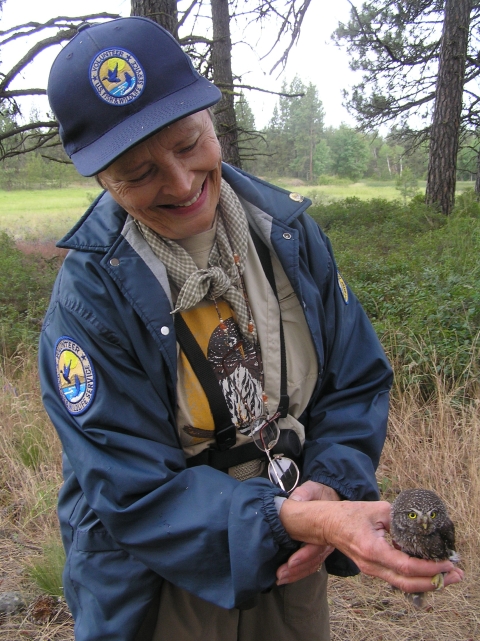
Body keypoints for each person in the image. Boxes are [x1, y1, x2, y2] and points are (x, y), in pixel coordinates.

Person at [39, 16, 463, 641]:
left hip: (294, 568)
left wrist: (328, 488)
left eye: (188, 145)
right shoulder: (88, 305)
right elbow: (133, 494)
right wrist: (291, 521)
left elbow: (356, 380)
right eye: (137, 172)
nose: (181, 184)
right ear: (101, 179)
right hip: (161, 588)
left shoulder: (287, 235)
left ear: (213, 120)